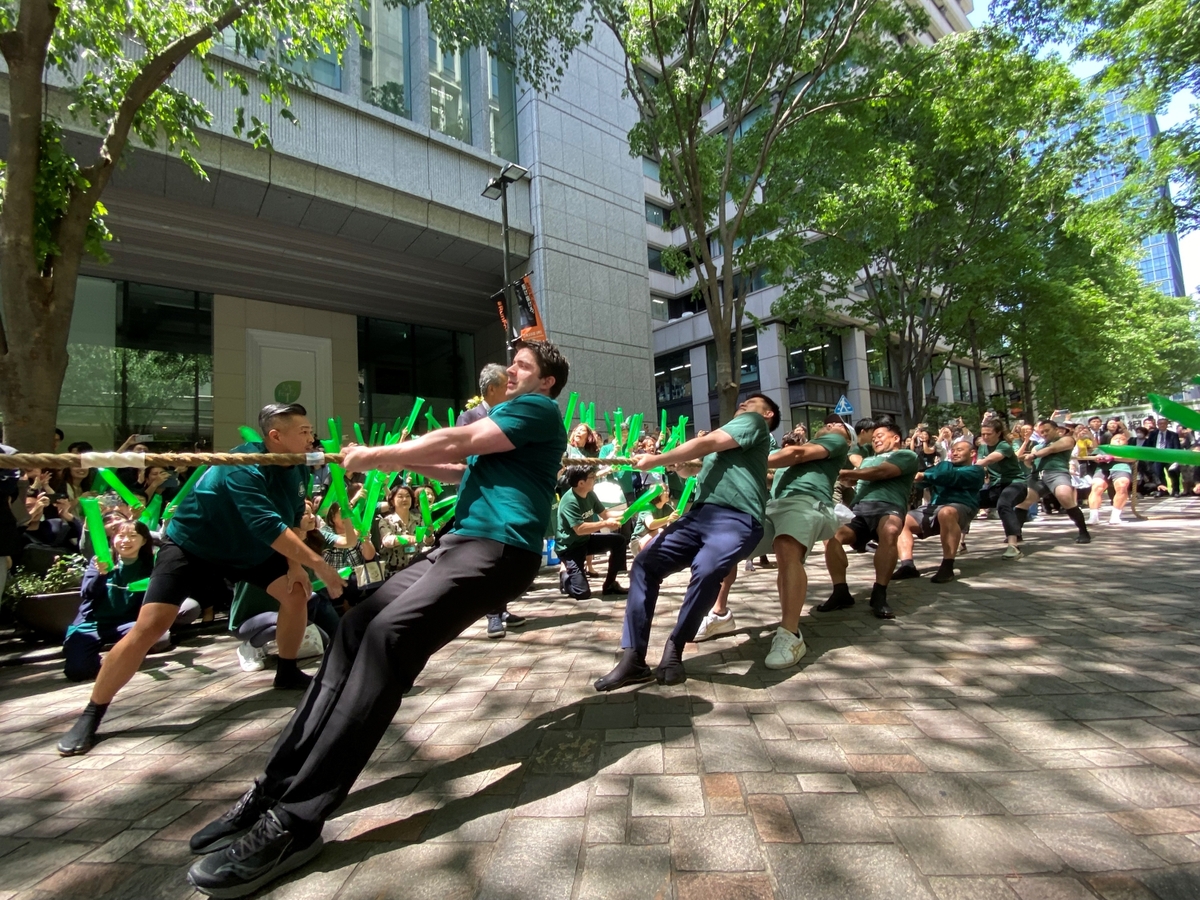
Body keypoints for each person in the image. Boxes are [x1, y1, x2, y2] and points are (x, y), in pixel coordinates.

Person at [185, 340, 569, 897]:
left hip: (498, 550)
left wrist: (372, 458)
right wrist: (376, 454)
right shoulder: (507, 422)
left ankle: (295, 822)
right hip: (459, 543)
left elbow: (459, 439)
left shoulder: (535, 409)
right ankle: (272, 788)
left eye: (524, 366)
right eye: (512, 363)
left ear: (548, 382)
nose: (512, 370)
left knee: (387, 640)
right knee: (358, 623)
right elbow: (448, 466)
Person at [55, 403, 347, 757]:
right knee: (150, 626)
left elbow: (285, 518)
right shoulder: (242, 465)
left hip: (248, 550)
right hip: (193, 546)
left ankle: (286, 671)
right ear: (275, 437)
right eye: (302, 431)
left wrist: (296, 566)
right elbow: (266, 525)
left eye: (310, 430)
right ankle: (92, 712)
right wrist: (323, 567)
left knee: (295, 593)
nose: (311, 437)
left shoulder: (298, 468)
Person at [593, 393, 780, 692]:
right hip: (700, 516)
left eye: (751, 403)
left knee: (706, 571)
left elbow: (705, 444)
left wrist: (655, 459)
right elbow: (692, 467)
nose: (741, 404)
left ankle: (675, 647)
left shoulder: (754, 422)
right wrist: (675, 466)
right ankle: (634, 657)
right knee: (644, 565)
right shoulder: (730, 447)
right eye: (740, 403)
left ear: (768, 415)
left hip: (738, 518)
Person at [758, 418, 851, 669]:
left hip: (805, 502)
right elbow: (770, 477)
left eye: (840, 425)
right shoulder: (796, 460)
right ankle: (720, 613)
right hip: (773, 506)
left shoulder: (834, 442)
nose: (832, 425)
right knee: (730, 542)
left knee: (788, 549)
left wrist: (743, 458)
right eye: (830, 423)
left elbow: (797, 453)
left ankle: (790, 634)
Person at [64, 519, 200, 681]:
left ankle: (124, 653)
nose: (126, 540)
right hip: (92, 624)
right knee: (78, 672)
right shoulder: (100, 560)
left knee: (159, 637)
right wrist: (101, 575)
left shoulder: (151, 565)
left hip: (127, 624)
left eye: (133, 536)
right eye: (121, 536)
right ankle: (108, 657)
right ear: (113, 539)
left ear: (144, 540)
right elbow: (87, 593)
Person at [820, 419, 919, 620]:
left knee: (890, 531)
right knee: (831, 534)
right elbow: (857, 475)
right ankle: (840, 591)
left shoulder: (906, 455)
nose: (875, 441)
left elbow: (884, 472)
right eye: (873, 438)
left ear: (896, 438)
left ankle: (879, 593)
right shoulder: (866, 461)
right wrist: (850, 478)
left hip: (889, 506)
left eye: (880, 436)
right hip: (859, 509)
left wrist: (848, 473)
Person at [893, 438, 983, 584]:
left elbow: (951, 477)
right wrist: (915, 477)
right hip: (934, 507)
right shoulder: (944, 466)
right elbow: (923, 482)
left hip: (961, 506)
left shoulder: (976, 470)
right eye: (952, 450)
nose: (954, 453)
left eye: (959, 450)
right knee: (900, 520)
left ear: (972, 453)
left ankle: (947, 566)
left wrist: (926, 475)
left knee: (946, 512)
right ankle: (907, 565)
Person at [555, 465, 628, 599]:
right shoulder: (569, 502)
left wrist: (629, 512)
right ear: (581, 483)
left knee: (619, 541)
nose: (595, 478)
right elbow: (580, 529)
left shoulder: (590, 494)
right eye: (592, 477)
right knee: (582, 593)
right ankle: (565, 574)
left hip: (586, 540)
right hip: (570, 547)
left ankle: (610, 584)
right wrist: (605, 523)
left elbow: (605, 514)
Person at [1021, 419, 1091, 544]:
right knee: (1024, 501)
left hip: (1057, 473)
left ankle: (1083, 531)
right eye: (1041, 432)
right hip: (1038, 476)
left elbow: (1051, 449)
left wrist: (1033, 455)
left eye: (1047, 430)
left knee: (1064, 497)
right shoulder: (1036, 446)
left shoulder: (1067, 440)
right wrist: (1028, 460)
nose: (1044, 433)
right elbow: (1029, 464)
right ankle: (1014, 533)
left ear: (1056, 430)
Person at [975, 420, 1031, 560]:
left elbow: (989, 460)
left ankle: (1013, 546)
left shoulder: (1004, 445)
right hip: (995, 487)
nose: (985, 437)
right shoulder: (982, 447)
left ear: (998, 433)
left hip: (1016, 484)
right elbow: (981, 468)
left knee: (1004, 504)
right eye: (983, 434)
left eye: (989, 434)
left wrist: (969, 467)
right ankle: (960, 543)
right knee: (969, 501)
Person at [1087, 433, 1135, 525]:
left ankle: (1115, 517)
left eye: (1122, 439)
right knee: (1096, 486)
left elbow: (1132, 458)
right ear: (1111, 441)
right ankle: (1093, 517)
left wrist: (1113, 458)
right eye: (1116, 438)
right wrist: (1097, 458)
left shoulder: (1129, 449)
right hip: (1103, 468)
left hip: (1121, 467)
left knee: (1122, 485)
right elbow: (1093, 457)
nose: (1118, 440)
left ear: (1126, 442)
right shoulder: (1104, 448)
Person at [376, 485, 421, 574]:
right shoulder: (386, 521)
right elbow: (387, 541)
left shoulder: (419, 519)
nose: (405, 499)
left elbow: (426, 542)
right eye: (400, 496)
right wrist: (406, 538)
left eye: (408, 496)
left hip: (417, 569)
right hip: (394, 571)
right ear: (392, 501)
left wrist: (429, 535)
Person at [456, 363, 508, 428]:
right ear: (491, 389)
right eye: (507, 386)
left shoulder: (511, 417)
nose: (510, 390)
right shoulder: (468, 418)